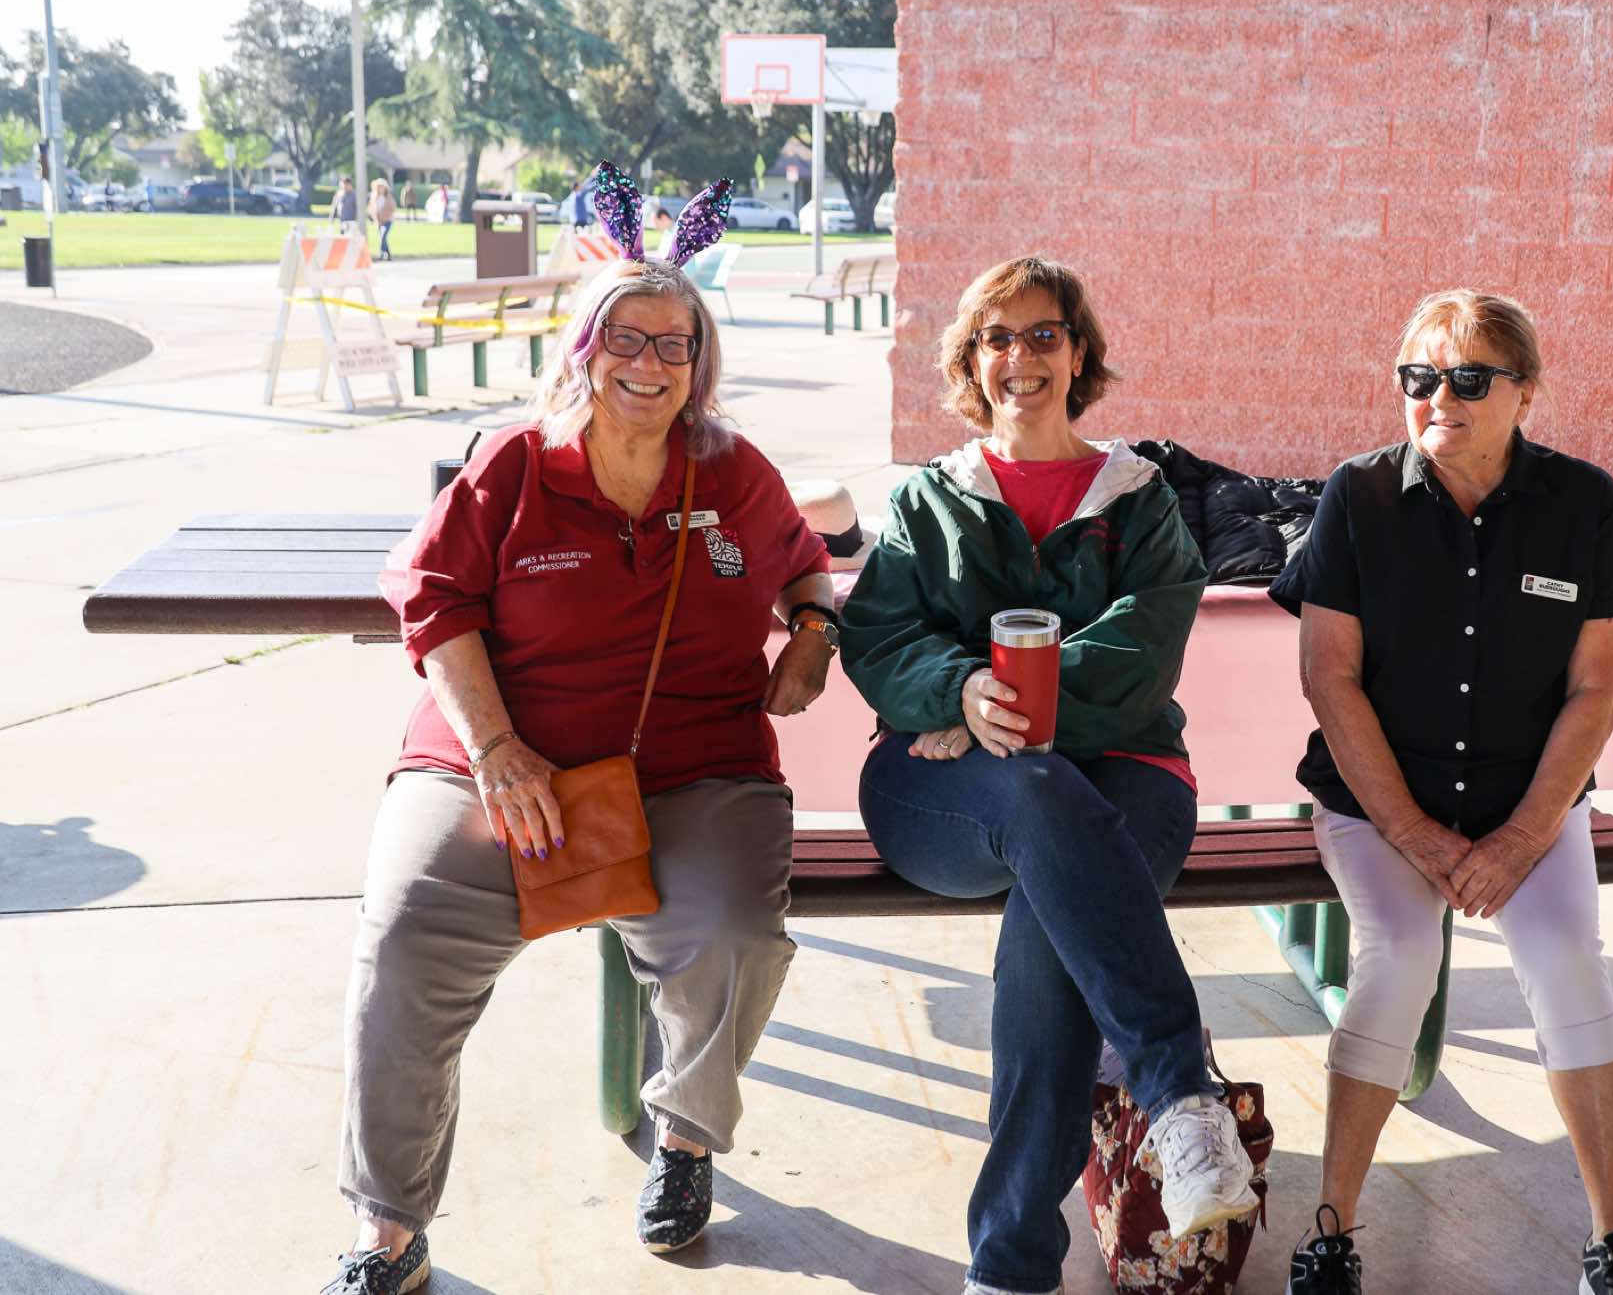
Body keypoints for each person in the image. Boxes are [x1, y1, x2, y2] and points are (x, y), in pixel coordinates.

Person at [322, 254, 838, 1293]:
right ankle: (390, 1226)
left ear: (699, 364)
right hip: (498, 763)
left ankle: (683, 1138)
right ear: (584, 350)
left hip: (696, 768)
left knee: (733, 933)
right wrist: (494, 748)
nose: (649, 361)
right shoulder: (515, 462)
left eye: (674, 343)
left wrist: (814, 634)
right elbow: (433, 599)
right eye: (625, 337)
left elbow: (803, 561)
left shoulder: (733, 469)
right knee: (405, 933)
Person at [840, 255, 1260, 1295]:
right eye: (997, 337)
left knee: (1050, 930)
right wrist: (955, 693)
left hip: (1126, 780)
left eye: (1042, 335)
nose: (1018, 357)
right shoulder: (928, 499)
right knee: (1036, 797)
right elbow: (880, 637)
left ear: (1078, 355)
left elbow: (1140, 657)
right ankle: (1179, 1096)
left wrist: (999, 711)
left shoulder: (1141, 499)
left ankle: (1011, 1268)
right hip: (940, 795)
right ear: (970, 359)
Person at [1274, 290, 1613, 1295]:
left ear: (1525, 392)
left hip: (1529, 806)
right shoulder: (1356, 496)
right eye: (1419, 376)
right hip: (1377, 806)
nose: (1437, 396)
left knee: (1568, 961)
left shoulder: (1584, 504)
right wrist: (1413, 832)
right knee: (1400, 956)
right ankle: (1330, 1235)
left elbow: (1596, 688)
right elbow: (1329, 678)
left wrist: (1523, 834)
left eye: (1468, 378)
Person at [369, 178, 397, 261]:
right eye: (379, 187)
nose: (381, 189)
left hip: (387, 221)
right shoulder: (375, 197)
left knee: (383, 236)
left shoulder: (389, 198)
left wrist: (383, 219)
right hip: (379, 221)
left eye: (382, 187)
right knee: (383, 238)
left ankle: (381, 254)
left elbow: (391, 209)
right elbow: (372, 209)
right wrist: (376, 220)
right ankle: (388, 254)